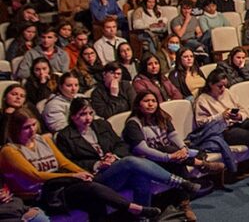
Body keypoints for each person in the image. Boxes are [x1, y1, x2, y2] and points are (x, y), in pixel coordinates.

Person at [0, 108, 160, 220]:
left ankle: (137, 210)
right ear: (15, 129)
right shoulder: (10, 151)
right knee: (89, 188)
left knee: (94, 198)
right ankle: (133, 208)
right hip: (41, 196)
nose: (32, 130)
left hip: (61, 186)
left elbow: (63, 162)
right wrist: (74, 175)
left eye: (34, 125)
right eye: (26, 127)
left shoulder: (45, 139)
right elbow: (35, 176)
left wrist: (83, 173)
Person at [55, 98, 200, 209]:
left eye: (90, 113)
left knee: (140, 175)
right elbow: (69, 164)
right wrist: (97, 164)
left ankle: (144, 217)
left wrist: (114, 156)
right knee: (131, 161)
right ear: (73, 116)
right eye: (82, 114)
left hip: (115, 168)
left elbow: (121, 145)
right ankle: (180, 182)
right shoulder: (65, 136)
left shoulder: (101, 125)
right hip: (95, 177)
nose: (88, 118)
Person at [122, 91, 224, 221]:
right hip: (147, 162)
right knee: (170, 152)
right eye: (146, 101)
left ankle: (185, 205)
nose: (151, 104)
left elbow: (173, 135)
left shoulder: (161, 116)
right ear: (138, 104)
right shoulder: (133, 124)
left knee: (178, 163)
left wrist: (183, 149)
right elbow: (143, 149)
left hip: (169, 157)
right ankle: (201, 165)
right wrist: (168, 156)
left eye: (153, 101)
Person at [193, 71, 249, 186]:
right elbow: (200, 123)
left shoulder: (228, 93)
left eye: (225, 85)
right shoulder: (202, 99)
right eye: (220, 86)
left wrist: (239, 116)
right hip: (221, 131)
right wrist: (220, 116)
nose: (223, 89)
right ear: (210, 84)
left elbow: (243, 111)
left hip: (235, 122)